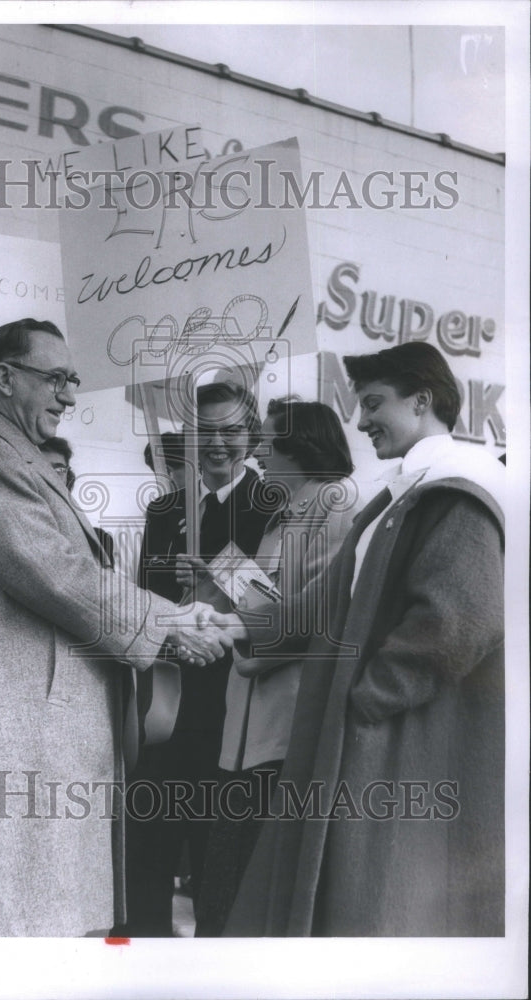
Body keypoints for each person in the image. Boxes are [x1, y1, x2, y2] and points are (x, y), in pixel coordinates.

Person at [0, 317, 231, 937]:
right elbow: (55, 572)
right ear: (5, 378)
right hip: (19, 724)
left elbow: (71, 574)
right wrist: (171, 619)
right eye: (56, 378)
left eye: (72, 379)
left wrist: (179, 616)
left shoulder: (11, 453)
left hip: (65, 716)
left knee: (35, 913)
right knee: (3, 919)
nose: (71, 394)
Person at [214, 342, 505, 936]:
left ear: (422, 400)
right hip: (371, 741)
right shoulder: (398, 492)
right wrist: (232, 623)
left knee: (381, 913)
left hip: (402, 745)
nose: (361, 420)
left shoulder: (457, 485)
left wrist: (363, 702)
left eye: (374, 403)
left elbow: (458, 623)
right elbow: (324, 604)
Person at [194, 398, 362, 936]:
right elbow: (271, 603)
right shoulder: (280, 520)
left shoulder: (335, 506)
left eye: (267, 441)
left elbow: (316, 615)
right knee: (222, 891)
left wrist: (233, 599)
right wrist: (219, 578)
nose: (259, 452)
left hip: (285, 731)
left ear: (300, 444)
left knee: (249, 898)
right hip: (244, 738)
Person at [117, 381, 277, 937]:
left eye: (231, 431)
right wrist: (173, 627)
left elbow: (278, 605)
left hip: (236, 714)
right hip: (165, 707)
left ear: (252, 437)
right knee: (147, 858)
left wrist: (215, 574)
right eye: (205, 431)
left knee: (217, 867)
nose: (218, 444)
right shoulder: (164, 510)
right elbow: (142, 600)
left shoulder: (274, 502)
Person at [39, 436, 114, 564]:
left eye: (59, 469)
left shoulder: (99, 539)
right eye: (43, 468)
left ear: (68, 477)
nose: (51, 476)